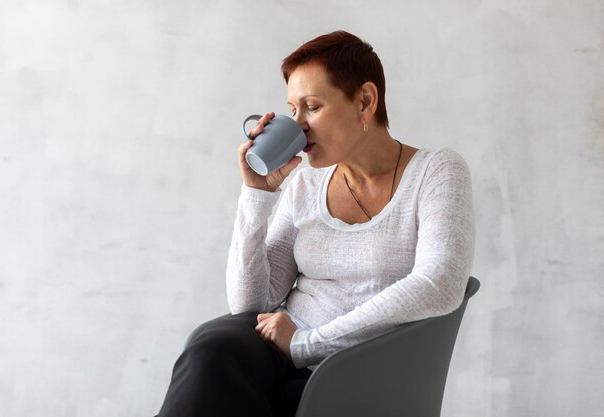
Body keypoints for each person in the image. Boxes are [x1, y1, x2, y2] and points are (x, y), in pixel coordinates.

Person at [155, 30, 474, 417]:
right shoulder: (306, 184)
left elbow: (438, 285)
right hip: (281, 348)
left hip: (370, 366)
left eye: (312, 107)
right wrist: (257, 195)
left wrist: (308, 343)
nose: (299, 126)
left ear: (365, 101)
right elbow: (251, 303)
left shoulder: (437, 171)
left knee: (285, 403)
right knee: (211, 351)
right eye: (293, 110)